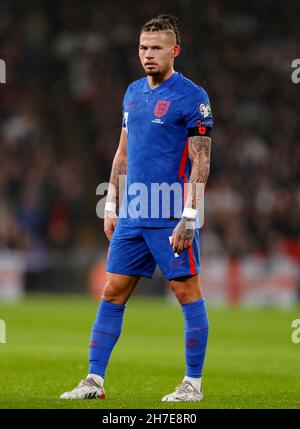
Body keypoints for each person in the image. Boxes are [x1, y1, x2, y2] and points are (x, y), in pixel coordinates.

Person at [60, 14, 213, 402]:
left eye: (157, 48)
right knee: (112, 293)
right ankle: (94, 381)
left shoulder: (192, 96)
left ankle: (192, 384)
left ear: (174, 51)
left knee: (186, 293)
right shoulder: (131, 93)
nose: (148, 54)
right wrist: (111, 204)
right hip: (132, 213)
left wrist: (190, 217)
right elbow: (123, 153)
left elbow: (201, 162)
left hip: (169, 212)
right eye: (143, 47)